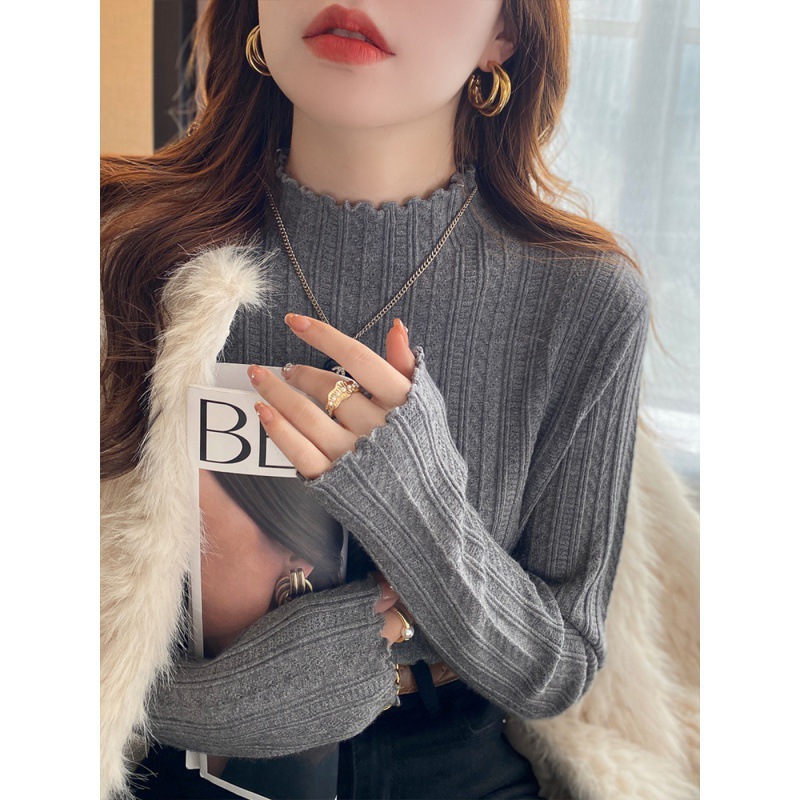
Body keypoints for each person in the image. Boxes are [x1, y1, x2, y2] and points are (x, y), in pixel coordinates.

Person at [100, 1, 651, 798]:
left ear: (504, 34)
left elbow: (557, 666)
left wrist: (418, 506)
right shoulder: (114, 246)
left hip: (446, 760)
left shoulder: (583, 302)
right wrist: (205, 708)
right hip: (142, 761)